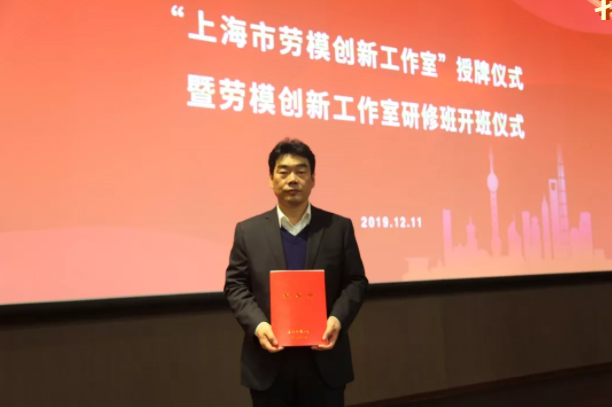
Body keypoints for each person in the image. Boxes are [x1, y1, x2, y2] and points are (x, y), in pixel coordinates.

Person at [224, 138, 369, 407]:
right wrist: (258, 325)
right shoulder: (248, 231)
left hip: (324, 363)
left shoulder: (338, 227)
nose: (293, 179)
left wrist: (337, 319)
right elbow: (236, 286)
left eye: (301, 172)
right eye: (284, 172)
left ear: (313, 180)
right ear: (271, 179)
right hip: (268, 364)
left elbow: (356, 281)